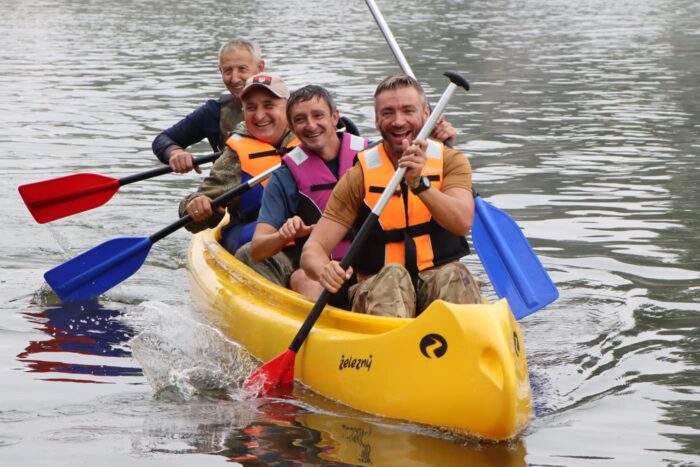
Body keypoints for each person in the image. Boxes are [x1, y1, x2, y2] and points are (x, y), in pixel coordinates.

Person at [300, 74, 484, 318]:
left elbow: (461, 222)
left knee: (456, 274)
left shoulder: (452, 162)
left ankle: (467, 344)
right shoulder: (359, 175)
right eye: (388, 113)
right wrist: (324, 269)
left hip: (436, 284)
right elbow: (313, 249)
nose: (398, 122)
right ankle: (393, 349)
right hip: (380, 289)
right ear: (377, 120)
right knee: (393, 276)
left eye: (408, 110)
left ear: (425, 115)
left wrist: (420, 184)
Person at [249, 85, 369, 300]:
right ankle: (323, 329)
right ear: (292, 129)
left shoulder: (372, 157)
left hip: (373, 264)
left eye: (318, 115)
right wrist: (284, 235)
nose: (311, 125)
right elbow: (257, 249)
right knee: (303, 279)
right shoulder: (284, 177)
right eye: (300, 119)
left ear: (335, 118)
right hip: (319, 272)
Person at [179, 73, 296, 286]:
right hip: (261, 247)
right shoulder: (235, 156)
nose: (260, 115)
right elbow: (193, 212)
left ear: (288, 108)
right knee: (251, 253)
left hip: (312, 241)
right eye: (251, 107)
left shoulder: (311, 138)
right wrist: (195, 206)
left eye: (269, 105)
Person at [153, 38, 265, 173]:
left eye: (242, 69)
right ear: (220, 72)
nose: (235, 78)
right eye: (228, 71)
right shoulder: (213, 112)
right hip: (227, 188)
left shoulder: (287, 106)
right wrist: (175, 153)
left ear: (260, 68)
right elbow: (162, 139)